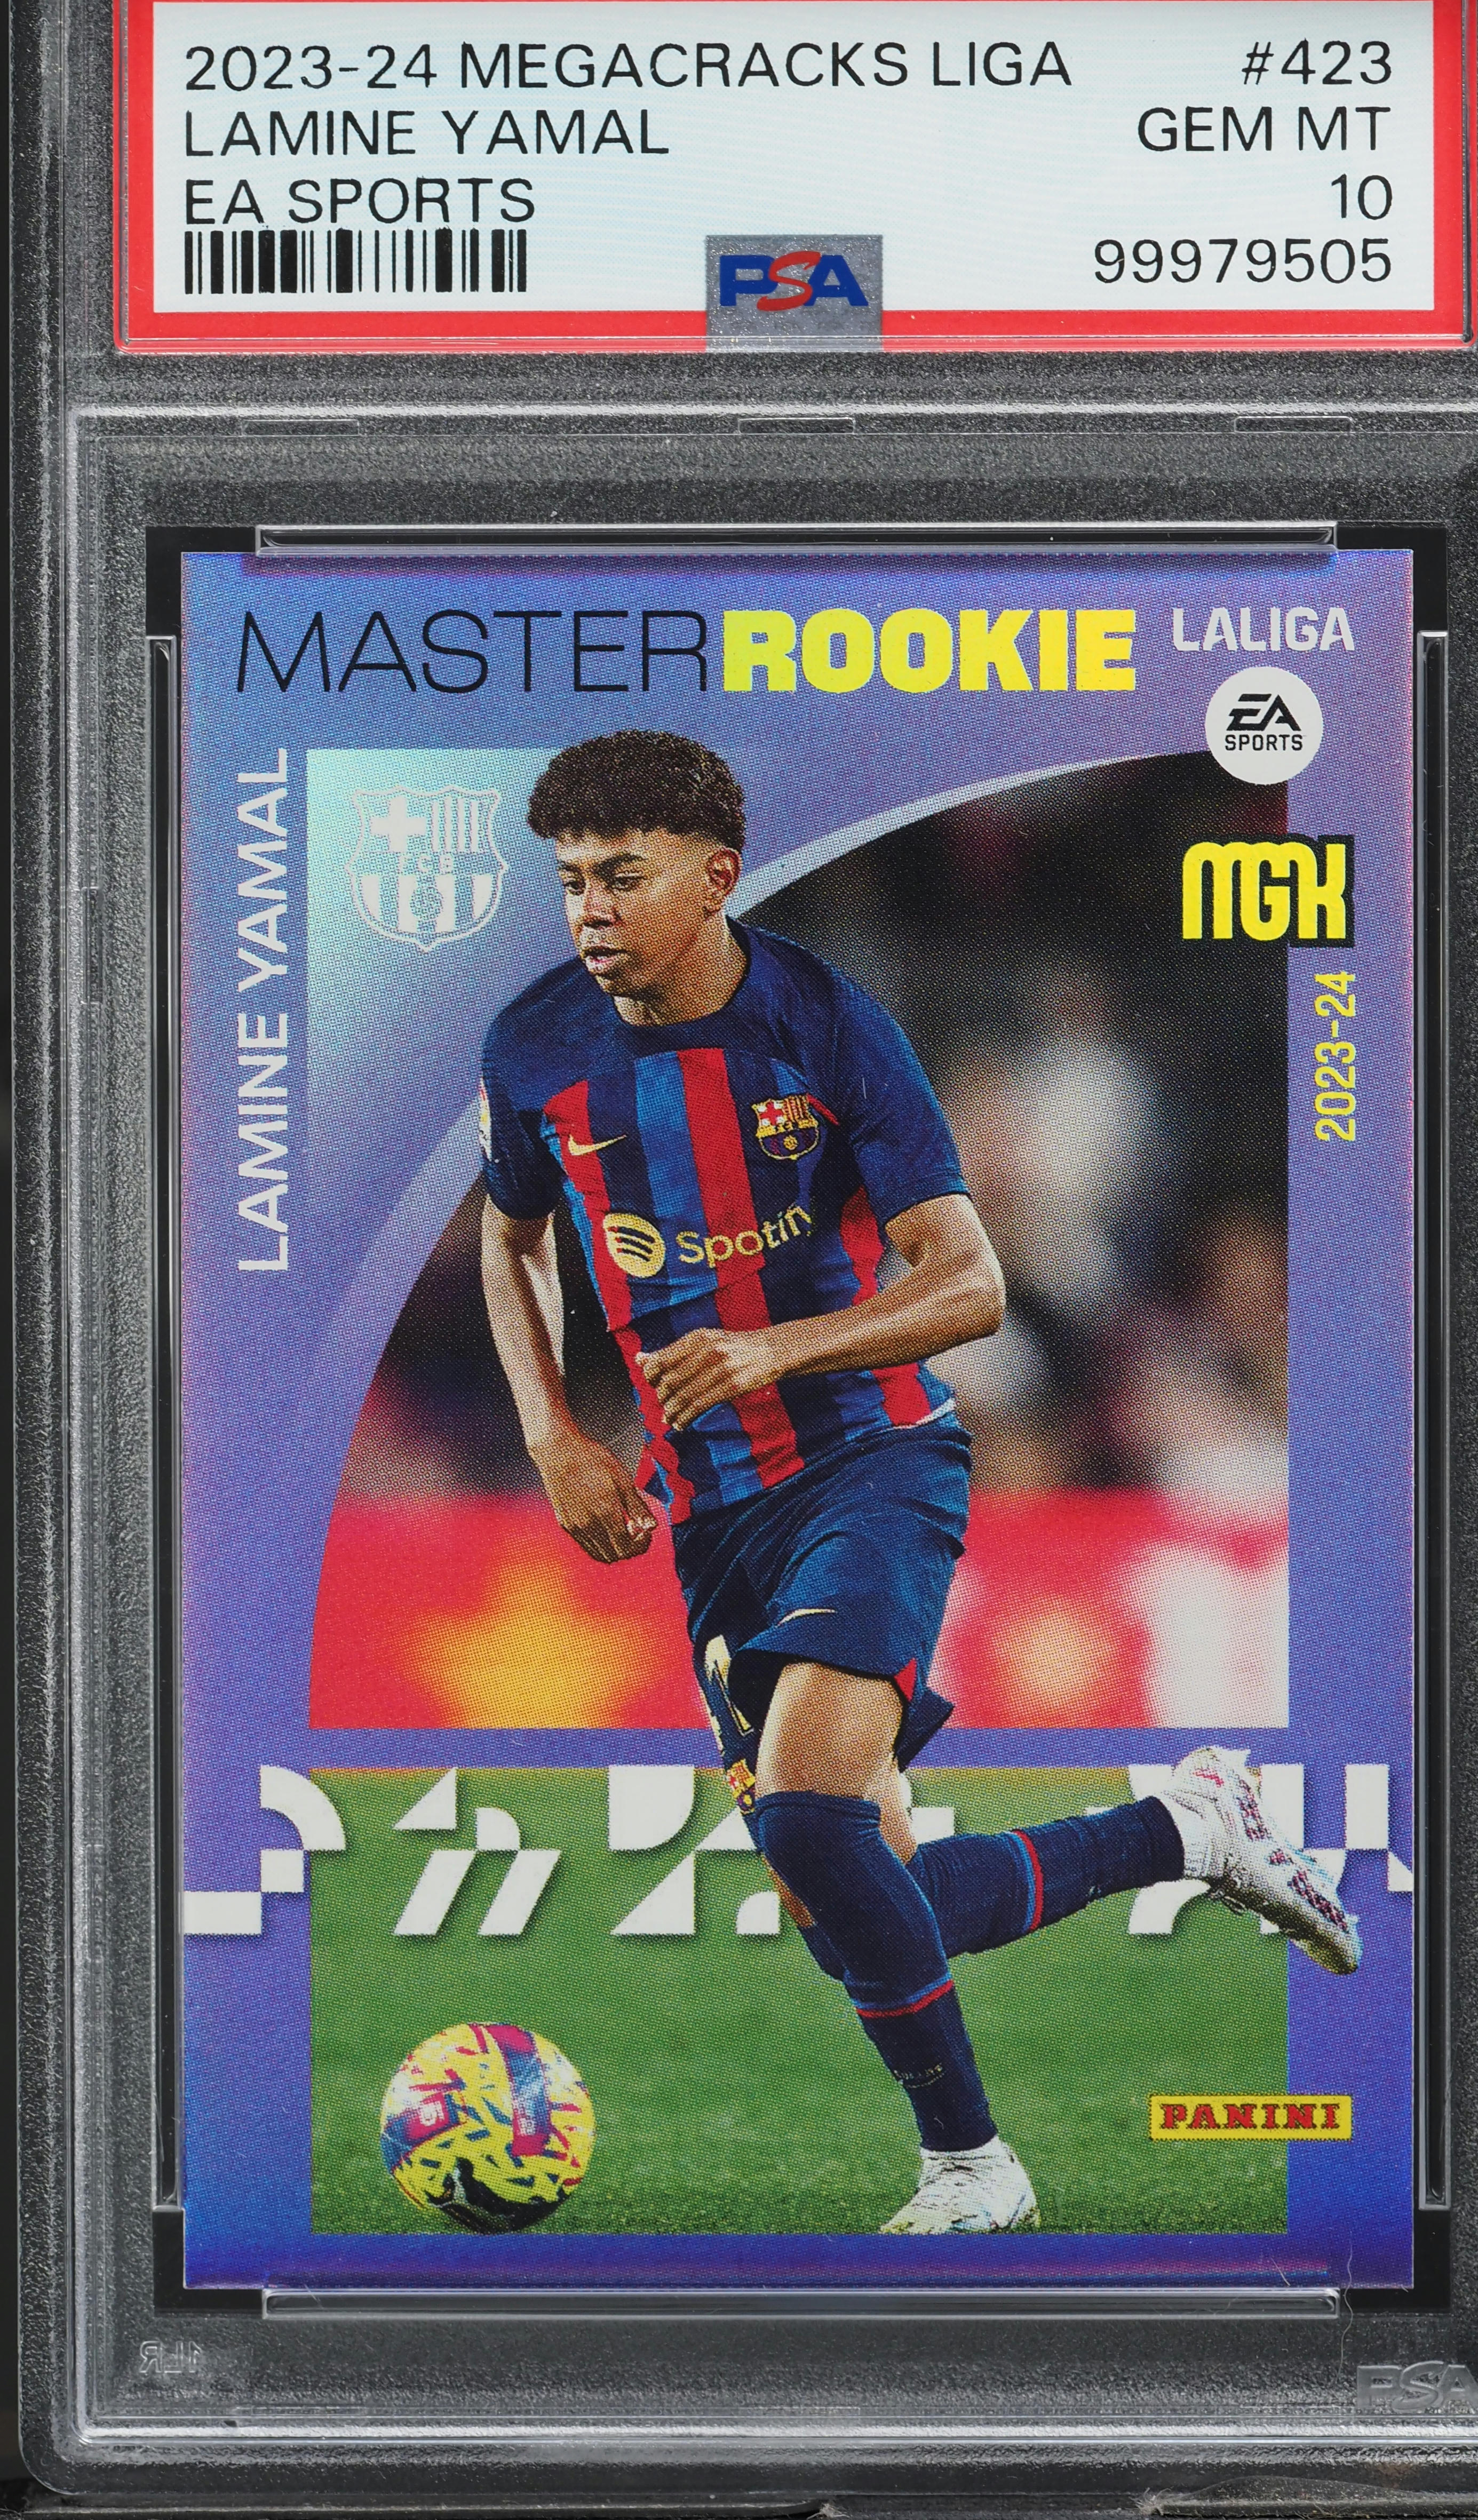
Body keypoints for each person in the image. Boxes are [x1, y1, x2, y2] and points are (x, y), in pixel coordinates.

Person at [478, 729, 1359, 2237]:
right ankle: (1186, 1829)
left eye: (621, 876)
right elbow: (514, 1241)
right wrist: (553, 1434)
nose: (591, 911)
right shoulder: (533, 1046)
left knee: (810, 1824)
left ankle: (973, 2167)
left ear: (715, 878)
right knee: (854, 1911)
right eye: (571, 881)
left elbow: (970, 1282)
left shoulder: (827, 1026)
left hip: (869, 1461)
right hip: (712, 1516)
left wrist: (772, 1349)